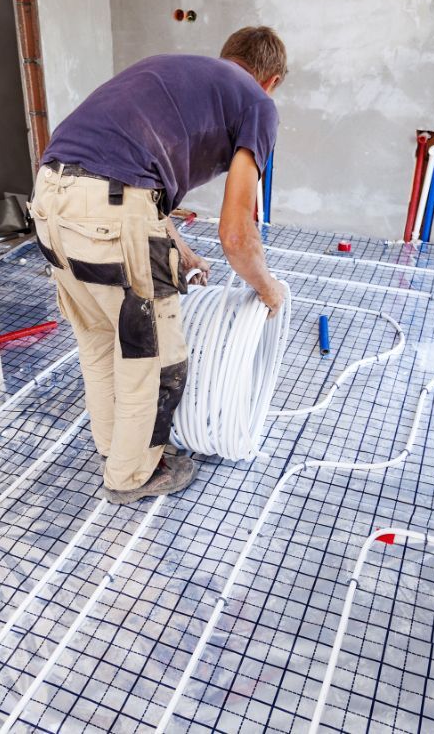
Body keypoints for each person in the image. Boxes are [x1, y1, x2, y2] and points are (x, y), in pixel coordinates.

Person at [29, 26, 288, 504]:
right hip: (108, 211)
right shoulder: (257, 102)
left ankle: (116, 451)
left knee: (100, 342)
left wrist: (180, 251)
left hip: (46, 199)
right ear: (269, 80)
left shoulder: (174, 71)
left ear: (225, 58)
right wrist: (268, 288)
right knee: (153, 358)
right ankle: (132, 476)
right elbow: (236, 231)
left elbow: (129, 170)